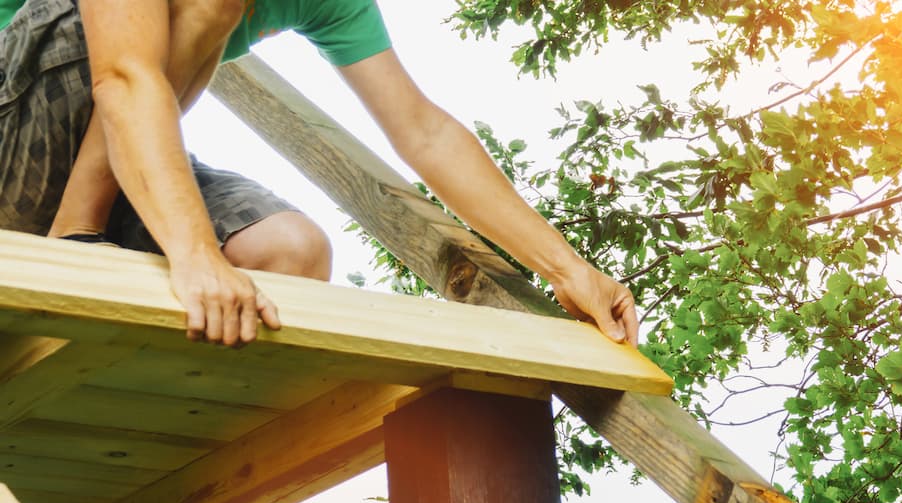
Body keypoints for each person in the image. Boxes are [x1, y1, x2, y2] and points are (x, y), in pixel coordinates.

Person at [0, 0, 639, 347]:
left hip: (106, 150)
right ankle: (74, 237)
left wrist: (568, 270)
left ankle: (106, 391)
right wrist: (192, 253)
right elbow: (125, 76)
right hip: (15, 128)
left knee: (290, 256)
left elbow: (424, 131)